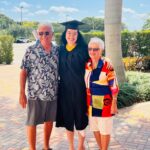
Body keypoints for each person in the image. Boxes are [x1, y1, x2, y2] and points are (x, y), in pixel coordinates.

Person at [19, 23, 59, 150]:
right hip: (35, 93)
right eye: (41, 33)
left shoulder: (57, 51)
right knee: (32, 122)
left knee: (49, 121)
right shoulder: (31, 50)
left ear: (52, 34)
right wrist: (21, 93)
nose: (44, 36)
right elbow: (23, 71)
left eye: (47, 33)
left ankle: (46, 146)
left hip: (52, 93)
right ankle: (32, 148)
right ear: (38, 34)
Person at [56, 20, 89, 150]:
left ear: (78, 35)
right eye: (69, 33)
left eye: (74, 34)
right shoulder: (60, 50)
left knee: (81, 120)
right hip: (65, 90)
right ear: (65, 34)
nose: (71, 36)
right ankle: (71, 147)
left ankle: (81, 146)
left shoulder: (84, 50)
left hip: (80, 90)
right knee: (68, 120)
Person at [84, 37, 119, 150]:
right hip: (91, 102)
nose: (92, 51)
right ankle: (101, 148)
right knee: (95, 128)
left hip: (105, 102)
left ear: (101, 50)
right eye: (90, 49)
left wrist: (114, 103)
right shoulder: (87, 64)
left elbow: (114, 85)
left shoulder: (107, 64)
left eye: (96, 49)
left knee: (105, 129)